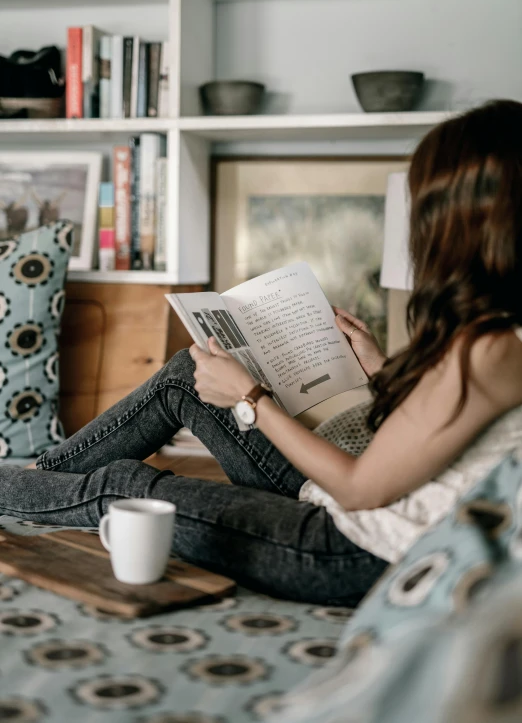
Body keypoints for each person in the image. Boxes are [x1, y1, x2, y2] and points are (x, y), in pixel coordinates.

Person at [2, 99, 522, 607]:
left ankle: (27, 492)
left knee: (127, 490)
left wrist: (250, 397)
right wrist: (377, 367)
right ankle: (38, 489)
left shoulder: (493, 347)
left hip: (351, 550)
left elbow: (362, 488)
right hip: (348, 509)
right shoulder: (498, 336)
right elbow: (439, 434)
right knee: (187, 374)